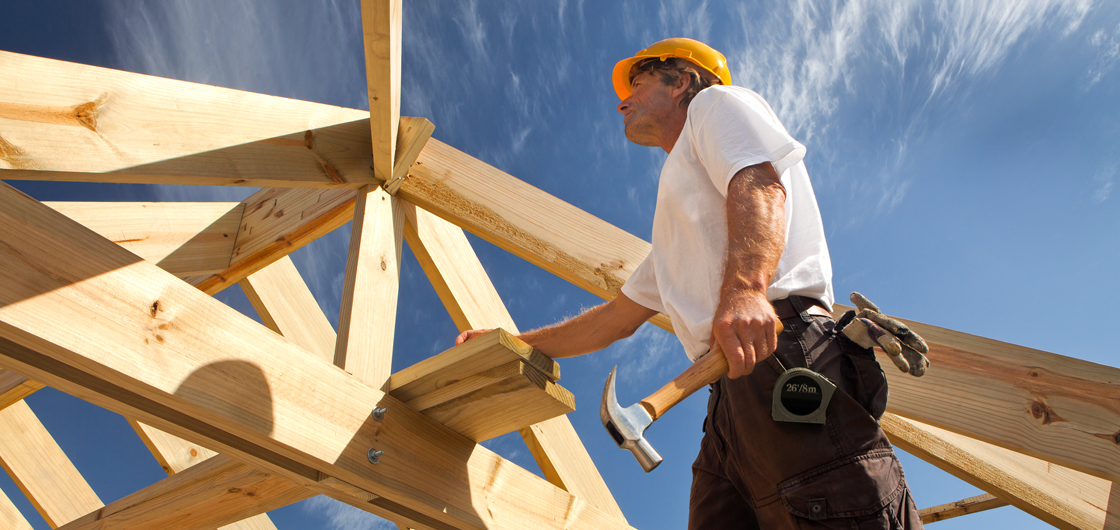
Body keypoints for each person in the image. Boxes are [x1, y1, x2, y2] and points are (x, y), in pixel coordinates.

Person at [457, 38, 924, 529]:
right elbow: (617, 318)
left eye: (637, 83)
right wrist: (511, 342)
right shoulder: (680, 214)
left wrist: (745, 287)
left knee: (835, 508)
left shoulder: (714, 104)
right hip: (726, 395)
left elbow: (760, 182)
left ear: (681, 81)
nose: (622, 99)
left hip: (779, 351)